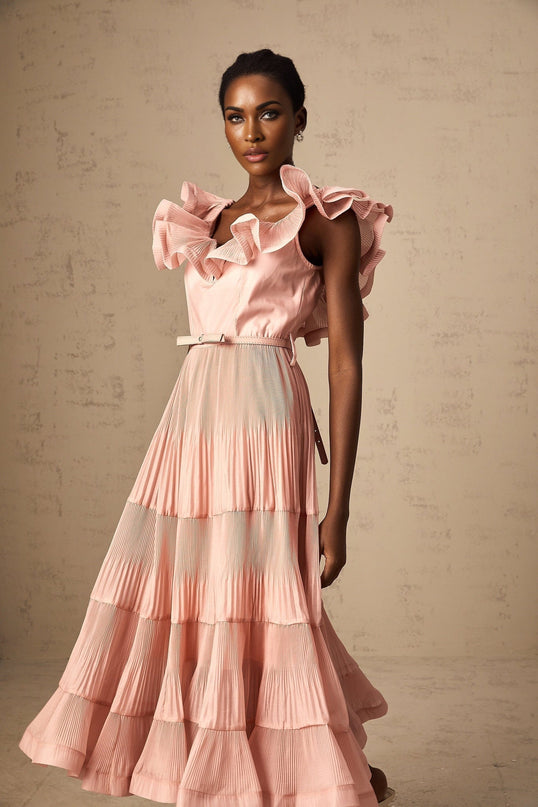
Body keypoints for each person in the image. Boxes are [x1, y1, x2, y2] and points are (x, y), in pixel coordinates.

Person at [19, 48, 395, 806]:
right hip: (192, 422)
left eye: (269, 112)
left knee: (265, 602)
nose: (251, 131)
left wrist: (340, 508)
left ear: (299, 119)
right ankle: (216, 769)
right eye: (235, 114)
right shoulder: (210, 220)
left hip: (266, 421)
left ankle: (319, 771)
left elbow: (347, 367)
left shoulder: (328, 221)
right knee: (193, 598)